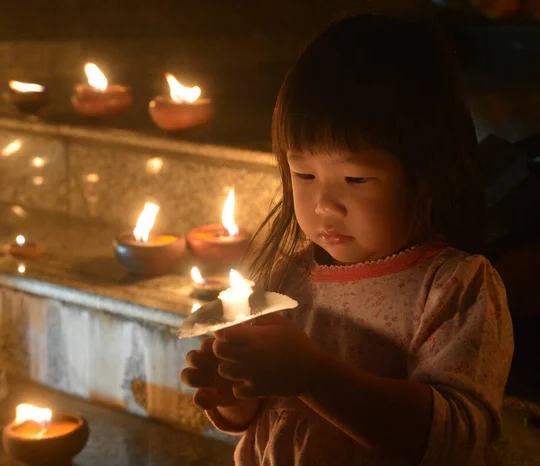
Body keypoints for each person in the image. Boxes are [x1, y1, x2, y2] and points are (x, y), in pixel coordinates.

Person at [181, 14, 514, 466]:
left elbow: (453, 439)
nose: (323, 206)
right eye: (304, 175)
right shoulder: (288, 279)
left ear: (430, 175)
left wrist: (313, 375)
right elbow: (269, 417)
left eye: (355, 178)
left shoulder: (454, 287)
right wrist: (233, 392)